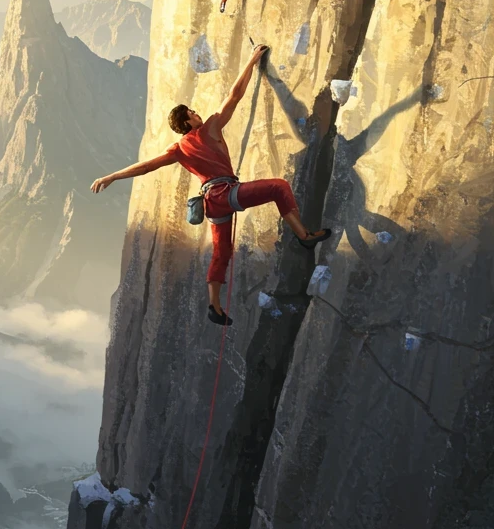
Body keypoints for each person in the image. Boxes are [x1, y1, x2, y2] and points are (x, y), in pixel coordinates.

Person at [90, 43, 330, 325]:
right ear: (188, 120)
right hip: (226, 193)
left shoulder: (177, 149)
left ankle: (214, 305)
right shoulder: (210, 128)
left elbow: (145, 167)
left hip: (212, 204)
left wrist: (112, 176)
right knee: (279, 187)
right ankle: (304, 237)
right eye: (191, 112)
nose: (196, 112)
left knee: (222, 252)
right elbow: (235, 95)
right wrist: (252, 60)